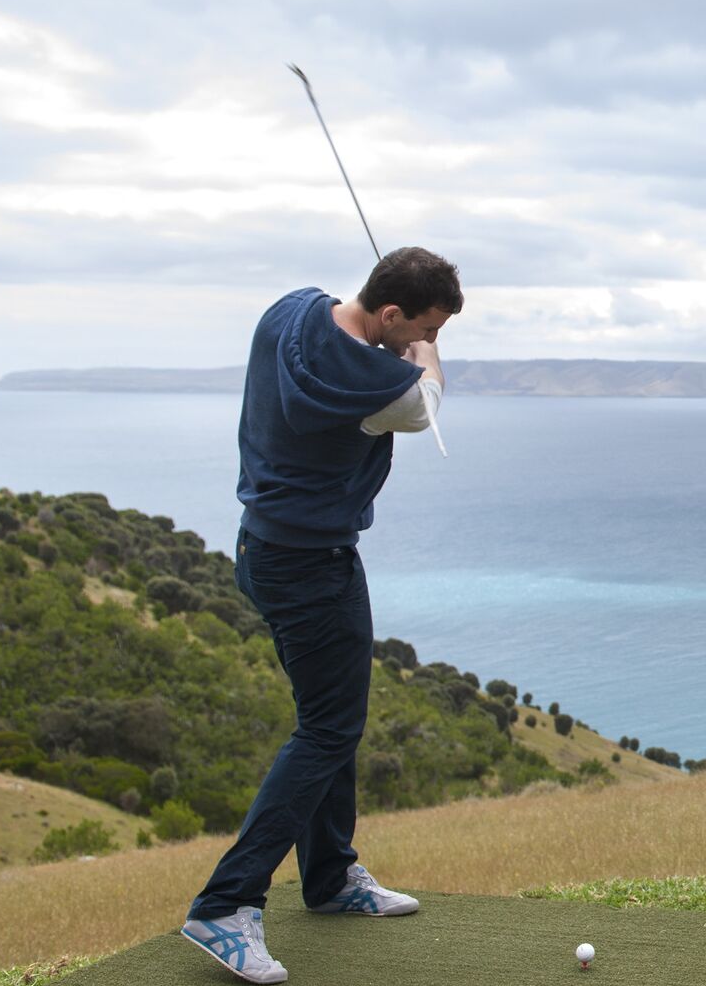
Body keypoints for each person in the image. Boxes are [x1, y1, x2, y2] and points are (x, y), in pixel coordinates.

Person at [180, 247, 462, 985]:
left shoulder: (290, 310)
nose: (422, 341)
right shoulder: (383, 385)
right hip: (313, 564)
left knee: (328, 715)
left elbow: (349, 333)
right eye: (421, 327)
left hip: (263, 546)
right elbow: (426, 399)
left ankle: (331, 876)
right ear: (394, 313)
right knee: (329, 728)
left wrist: (398, 339)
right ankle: (225, 903)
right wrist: (426, 358)